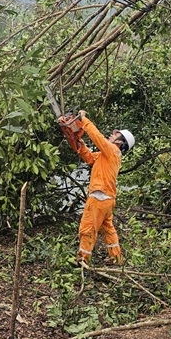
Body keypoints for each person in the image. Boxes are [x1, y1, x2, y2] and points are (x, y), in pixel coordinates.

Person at [64, 110, 135, 266]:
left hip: (99, 196)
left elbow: (98, 138)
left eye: (116, 134)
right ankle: (116, 258)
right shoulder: (107, 155)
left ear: (120, 142)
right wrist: (79, 143)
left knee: (87, 227)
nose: (112, 134)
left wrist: (84, 120)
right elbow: (89, 157)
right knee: (108, 230)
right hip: (107, 199)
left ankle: (82, 258)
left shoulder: (112, 150)